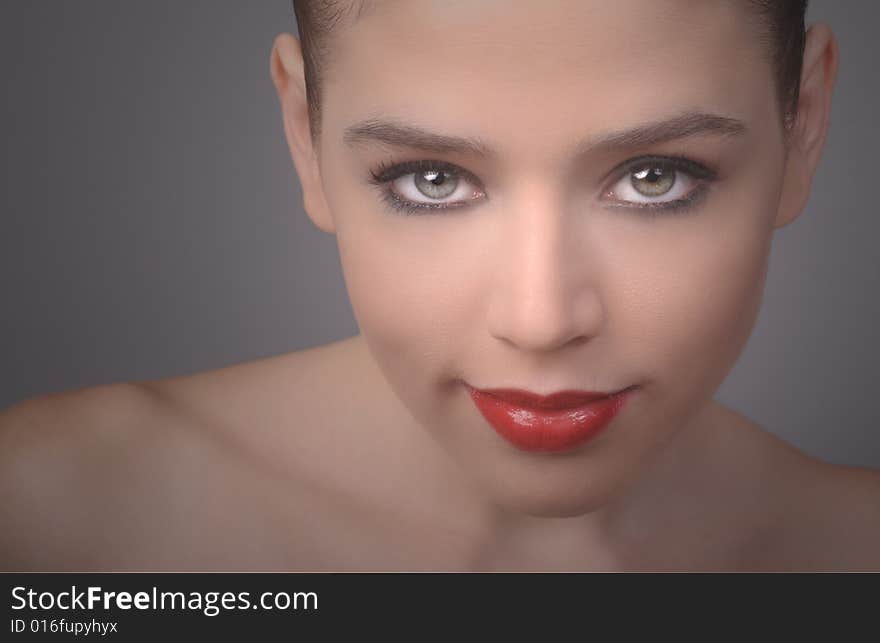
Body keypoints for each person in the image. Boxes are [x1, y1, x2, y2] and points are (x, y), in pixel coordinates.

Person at [1, 0, 877, 572]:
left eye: (656, 176)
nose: (538, 320)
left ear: (803, 123)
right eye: (431, 179)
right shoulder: (46, 521)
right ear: (305, 132)